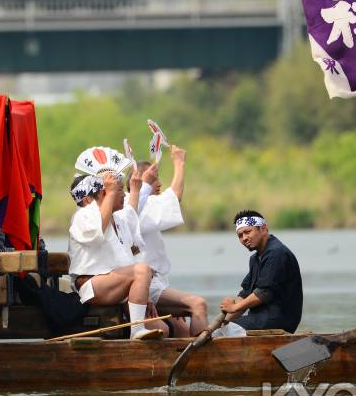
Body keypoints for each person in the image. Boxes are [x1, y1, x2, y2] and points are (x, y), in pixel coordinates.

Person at [67, 170, 164, 340]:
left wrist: (144, 291)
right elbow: (98, 233)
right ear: (104, 193)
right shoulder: (84, 214)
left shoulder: (117, 218)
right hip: (92, 285)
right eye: (119, 190)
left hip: (116, 283)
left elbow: (132, 213)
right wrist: (111, 192)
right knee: (141, 269)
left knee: (162, 328)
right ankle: (136, 330)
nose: (124, 196)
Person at [131, 145, 208, 336]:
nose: (159, 183)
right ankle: (205, 359)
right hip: (143, 287)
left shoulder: (139, 205)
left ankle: (194, 361)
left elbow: (170, 198)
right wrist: (179, 162)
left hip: (156, 285)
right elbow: (175, 197)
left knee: (181, 327)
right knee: (198, 304)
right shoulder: (131, 206)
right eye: (153, 178)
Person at [217, 210, 303, 334]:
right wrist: (224, 321)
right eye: (240, 235)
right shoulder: (255, 259)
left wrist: (234, 307)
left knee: (223, 332)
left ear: (263, 229)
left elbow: (263, 293)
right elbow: (245, 295)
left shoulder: (276, 253)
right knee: (221, 330)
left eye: (247, 232)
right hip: (260, 319)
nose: (244, 238)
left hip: (278, 319)